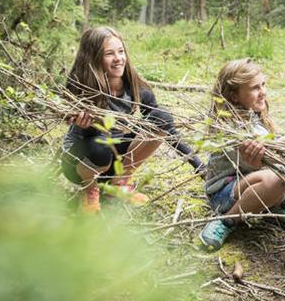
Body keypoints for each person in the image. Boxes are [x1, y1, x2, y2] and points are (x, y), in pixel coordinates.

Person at [61, 26, 203, 213]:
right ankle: (90, 191)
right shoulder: (83, 90)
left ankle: (119, 183)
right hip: (80, 163)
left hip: (114, 163)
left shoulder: (134, 88)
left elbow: (167, 127)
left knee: (162, 117)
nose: (118, 58)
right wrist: (85, 125)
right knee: (101, 146)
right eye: (109, 54)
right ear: (93, 58)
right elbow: (89, 140)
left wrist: (199, 165)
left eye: (121, 51)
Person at [199, 58, 285, 250]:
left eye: (263, 84)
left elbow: (278, 154)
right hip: (224, 195)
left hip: (248, 182)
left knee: (281, 173)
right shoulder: (231, 128)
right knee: (274, 178)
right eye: (255, 88)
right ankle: (227, 220)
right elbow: (276, 157)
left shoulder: (253, 116)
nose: (263, 92)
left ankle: (272, 206)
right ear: (234, 96)